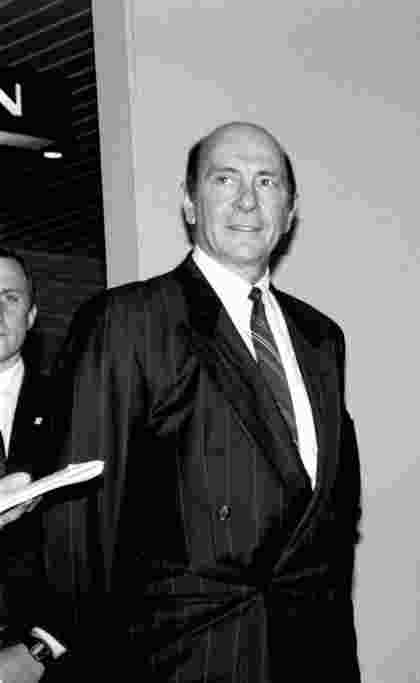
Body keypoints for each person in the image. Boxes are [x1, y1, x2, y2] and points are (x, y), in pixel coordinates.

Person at [39, 122, 362, 681]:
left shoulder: (321, 337)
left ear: (290, 211)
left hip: (310, 653)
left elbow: (330, 516)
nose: (246, 200)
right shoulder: (129, 321)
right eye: (224, 179)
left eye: (267, 182)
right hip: (184, 661)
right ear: (190, 204)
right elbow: (80, 528)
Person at [0, 249, 67, 682]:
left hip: (46, 657)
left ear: (31, 315)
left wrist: (43, 648)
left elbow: (111, 537)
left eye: (9, 297)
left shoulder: (76, 407)